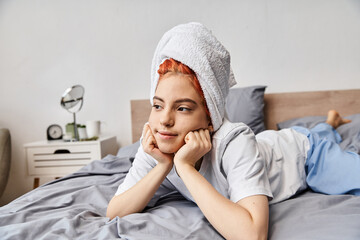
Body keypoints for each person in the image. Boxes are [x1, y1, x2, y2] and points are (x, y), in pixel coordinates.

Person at [107, 23, 360, 240]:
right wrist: (163, 166)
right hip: (267, 146)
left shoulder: (235, 141)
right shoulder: (157, 142)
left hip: (303, 154)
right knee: (312, 133)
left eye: (182, 108)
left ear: (210, 117)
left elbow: (252, 234)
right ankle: (329, 122)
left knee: (321, 146)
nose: (165, 121)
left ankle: (326, 127)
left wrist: (184, 167)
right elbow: (114, 211)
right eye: (157, 105)